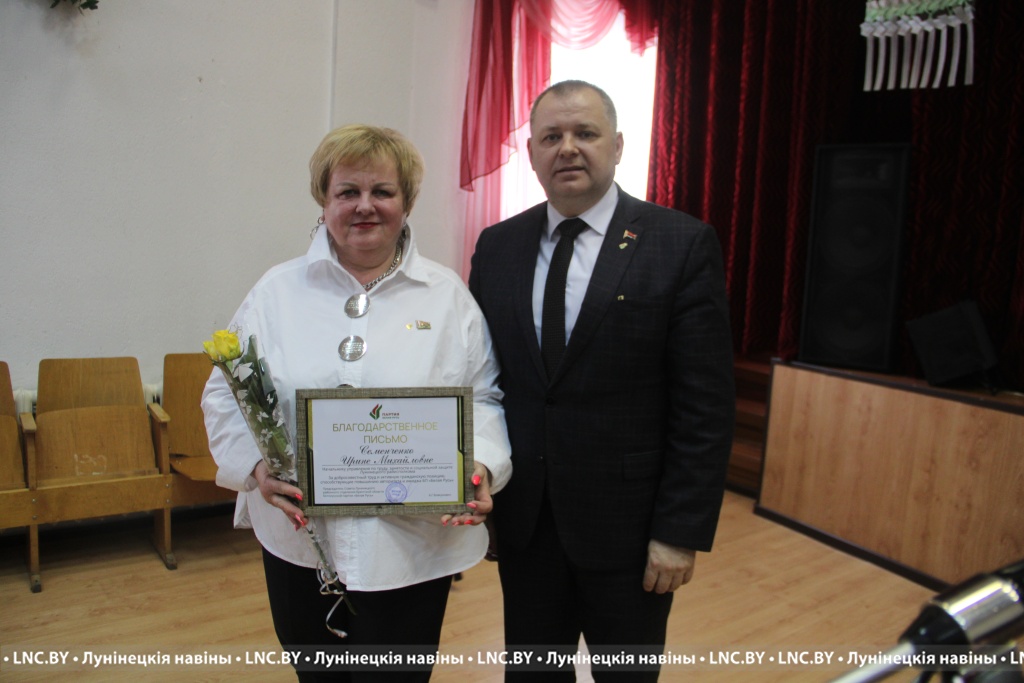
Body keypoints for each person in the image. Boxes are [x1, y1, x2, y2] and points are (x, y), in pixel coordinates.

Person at [202, 124, 512, 682]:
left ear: (406, 202)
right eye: (347, 191)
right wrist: (254, 469)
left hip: (411, 548)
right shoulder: (276, 292)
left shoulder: (448, 298)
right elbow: (225, 391)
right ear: (324, 202)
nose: (364, 206)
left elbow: (484, 394)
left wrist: (482, 466)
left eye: (382, 191)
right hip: (300, 540)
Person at [468, 80, 735, 681]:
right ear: (531, 154)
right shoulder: (498, 246)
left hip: (631, 534)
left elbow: (706, 407)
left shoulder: (679, 243)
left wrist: (679, 532)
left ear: (616, 146)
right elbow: (484, 380)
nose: (567, 148)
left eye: (584, 133)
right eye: (551, 137)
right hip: (527, 527)